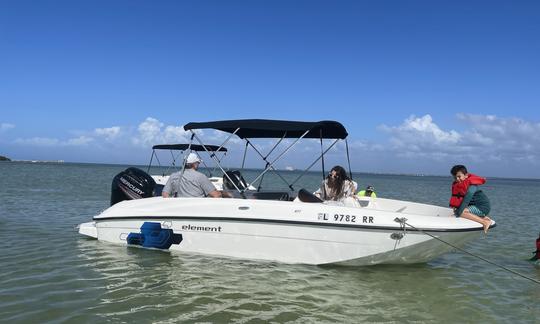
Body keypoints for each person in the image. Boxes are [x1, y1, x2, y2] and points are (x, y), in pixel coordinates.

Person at [162, 152, 228, 198]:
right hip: (198, 211)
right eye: (198, 163)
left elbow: (165, 194)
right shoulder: (200, 177)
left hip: (178, 211)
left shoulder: (173, 176)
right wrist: (225, 194)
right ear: (194, 164)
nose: (198, 164)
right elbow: (216, 195)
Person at [449, 165, 492, 233]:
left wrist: (459, 213)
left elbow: (466, 201)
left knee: (461, 212)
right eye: (455, 177)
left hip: (482, 207)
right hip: (474, 206)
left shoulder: (472, 186)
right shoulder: (459, 184)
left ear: (466, 175)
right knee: (457, 211)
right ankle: (482, 217)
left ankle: (485, 222)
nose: (457, 179)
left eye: (459, 176)